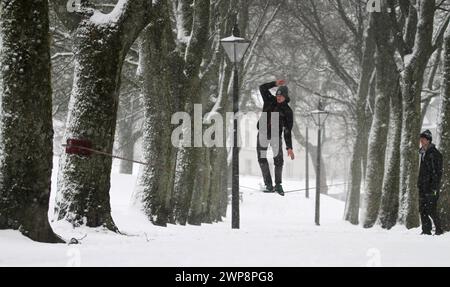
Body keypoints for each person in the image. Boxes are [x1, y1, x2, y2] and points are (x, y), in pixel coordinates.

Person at [257, 80, 294, 196]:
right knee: (262, 158)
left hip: (275, 136)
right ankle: (268, 184)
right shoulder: (269, 100)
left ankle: (278, 185)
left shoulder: (287, 111)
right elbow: (262, 87)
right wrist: (274, 83)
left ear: (285, 97)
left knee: (278, 161)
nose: (278, 97)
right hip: (262, 132)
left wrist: (289, 147)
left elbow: (287, 130)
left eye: (281, 96)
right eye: (277, 95)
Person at [418, 130, 444, 235]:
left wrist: (434, 187)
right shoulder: (423, 153)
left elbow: (436, 173)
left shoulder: (434, 154)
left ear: (428, 140)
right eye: (421, 139)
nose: (421, 141)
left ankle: (439, 229)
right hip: (423, 187)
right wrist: (419, 183)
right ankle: (426, 230)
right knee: (422, 209)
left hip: (431, 188)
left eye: (423, 139)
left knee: (431, 209)